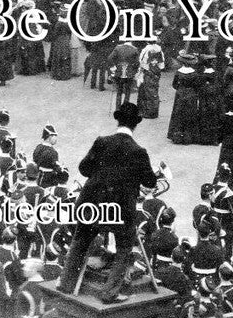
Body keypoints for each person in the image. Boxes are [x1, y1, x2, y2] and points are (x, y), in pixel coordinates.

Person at [56, 102, 160, 303]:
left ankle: (66, 283)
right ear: (135, 125)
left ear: (118, 120)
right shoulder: (139, 151)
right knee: (124, 247)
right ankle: (109, 293)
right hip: (120, 210)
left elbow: (84, 169)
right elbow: (150, 182)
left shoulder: (101, 142)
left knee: (81, 239)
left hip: (91, 204)